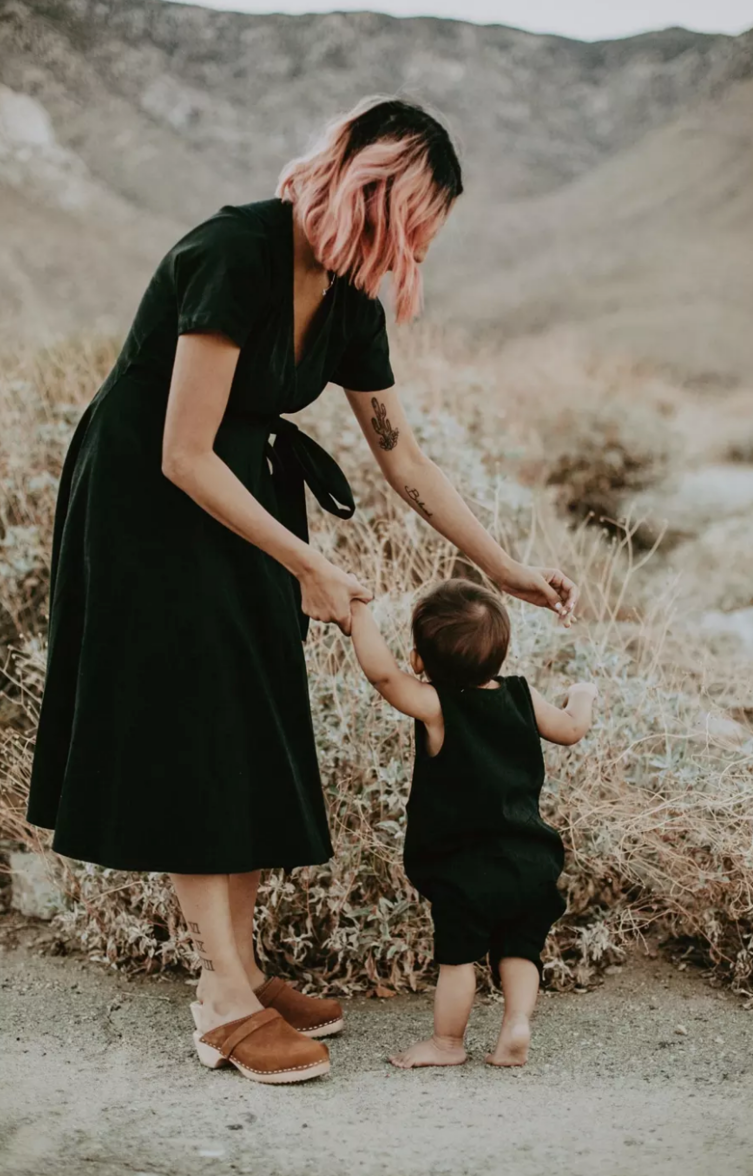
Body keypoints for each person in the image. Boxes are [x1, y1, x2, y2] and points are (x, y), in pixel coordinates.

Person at [26, 96, 578, 1085]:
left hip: (247, 498)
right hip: (150, 502)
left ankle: (236, 972)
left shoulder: (353, 298)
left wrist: (503, 567)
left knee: (244, 728)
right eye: (416, 223)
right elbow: (182, 452)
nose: (417, 248)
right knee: (196, 736)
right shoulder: (236, 253)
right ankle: (226, 1004)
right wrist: (309, 564)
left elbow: (400, 457)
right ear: (376, 196)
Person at [349, 580, 597, 1069]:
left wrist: (357, 609)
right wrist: (582, 694)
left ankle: (447, 1044)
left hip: (466, 872)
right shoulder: (522, 696)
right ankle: (516, 1025)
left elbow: (382, 675)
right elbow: (571, 729)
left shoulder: (439, 706)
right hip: (530, 859)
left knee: (458, 960)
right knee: (521, 949)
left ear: (420, 660)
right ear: (501, 654)